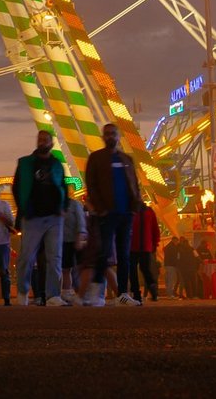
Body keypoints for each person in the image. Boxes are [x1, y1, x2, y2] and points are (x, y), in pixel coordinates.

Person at [80, 121, 142, 307]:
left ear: (118, 136)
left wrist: (135, 206)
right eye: (107, 133)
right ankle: (96, 293)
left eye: (113, 133)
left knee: (124, 255)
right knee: (104, 252)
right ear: (103, 136)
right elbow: (91, 184)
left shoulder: (126, 160)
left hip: (125, 213)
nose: (110, 136)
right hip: (106, 213)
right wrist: (100, 209)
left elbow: (134, 184)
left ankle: (122, 294)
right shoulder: (96, 158)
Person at [13, 129, 67, 306]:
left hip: (54, 217)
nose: (42, 141)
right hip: (33, 217)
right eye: (40, 139)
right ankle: (22, 292)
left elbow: (64, 187)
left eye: (46, 139)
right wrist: (23, 209)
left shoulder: (57, 164)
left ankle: (53, 295)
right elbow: (16, 187)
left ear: (52, 143)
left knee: (55, 258)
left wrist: (63, 207)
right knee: (27, 257)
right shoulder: (26, 163)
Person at [129, 204, 161, 303]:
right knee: (145, 269)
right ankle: (152, 288)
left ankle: (136, 294)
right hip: (146, 246)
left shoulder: (129, 210)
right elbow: (155, 229)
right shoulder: (149, 211)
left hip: (132, 246)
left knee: (132, 270)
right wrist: (155, 244)